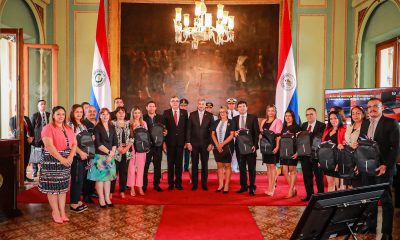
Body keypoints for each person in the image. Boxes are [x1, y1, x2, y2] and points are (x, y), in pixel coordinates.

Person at [358, 98, 399, 239]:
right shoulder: (365, 123)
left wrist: (386, 165)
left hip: (383, 169)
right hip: (367, 168)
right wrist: (359, 164)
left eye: (375, 106)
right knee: (370, 198)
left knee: (386, 201)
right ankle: (371, 226)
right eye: (369, 107)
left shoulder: (391, 123)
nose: (372, 109)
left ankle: (387, 233)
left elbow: (395, 148)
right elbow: (361, 146)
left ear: (382, 108)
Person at [39, 106, 76, 223]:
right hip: (52, 160)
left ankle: (62, 211)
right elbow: (49, 146)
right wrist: (62, 159)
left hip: (66, 159)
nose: (61, 116)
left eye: (63, 114)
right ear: (53, 116)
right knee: (53, 188)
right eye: (58, 114)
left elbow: (75, 144)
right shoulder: (47, 128)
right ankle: (55, 211)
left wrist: (69, 157)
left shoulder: (69, 128)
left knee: (63, 187)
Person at [87, 108, 117, 208]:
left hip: (110, 156)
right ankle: (101, 199)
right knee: (100, 179)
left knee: (108, 179)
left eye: (107, 114)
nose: (105, 116)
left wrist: (112, 153)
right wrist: (109, 152)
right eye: (103, 114)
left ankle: (107, 198)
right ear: (100, 116)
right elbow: (98, 144)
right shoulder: (97, 127)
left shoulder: (112, 127)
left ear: (109, 116)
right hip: (100, 156)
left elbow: (115, 142)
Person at [186, 99, 214, 190]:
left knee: (205, 164)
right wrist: (188, 142)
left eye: (203, 104)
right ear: (197, 105)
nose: (201, 105)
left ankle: (204, 184)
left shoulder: (210, 115)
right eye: (200, 104)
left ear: (205, 105)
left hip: (206, 144)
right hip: (193, 144)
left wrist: (211, 143)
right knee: (194, 164)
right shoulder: (192, 114)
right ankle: (194, 184)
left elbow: (212, 131)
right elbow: (189, 129)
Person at [233, 100, 260, 196]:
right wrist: (234, 133)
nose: (242, 108)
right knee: (242, 168)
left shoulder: (253, 118)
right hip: (239, 148)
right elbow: (233, 132)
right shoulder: (234, 119)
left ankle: (252, 187)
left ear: (247, 107)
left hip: (250, 147)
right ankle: (243, 187)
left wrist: (255, 145)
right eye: (239, 106)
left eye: (243, 106)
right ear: (237, 108)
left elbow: (257, 133)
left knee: (251, 168)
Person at [298, 107, 325, 201]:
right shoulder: (303, 125)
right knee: (307, 177)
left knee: (319, 177)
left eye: (311, 114)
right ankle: (309, 195)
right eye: (307, 114)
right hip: (305, 155)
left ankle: (321, 196)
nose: (309, 116)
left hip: (317, 156)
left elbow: (320, 139)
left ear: (315, 114)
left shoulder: (322, 125)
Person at [163, 96, 188, 190]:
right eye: (173, 101)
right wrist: (164, 143)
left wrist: (187, 141)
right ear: (170, 103)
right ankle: (170, 183)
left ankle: (178, 183)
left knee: (179, 164)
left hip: (181, 143)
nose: (175, 103)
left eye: (177, 101)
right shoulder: (166, 113)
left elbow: (186, 128)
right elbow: (164, 129)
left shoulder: (184, 113)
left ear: (179, 103)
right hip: (170, 143)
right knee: (170, 164)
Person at [68, 104, 89, 213]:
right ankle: (73, 204)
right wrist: (80, 152)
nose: (79, 114)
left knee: (81, 180)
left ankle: (76, 199)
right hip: (76, 156)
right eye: (77, 112)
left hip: (84, 156)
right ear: (72, 113)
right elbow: (71, 142)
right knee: (76, 179)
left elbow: (85, 140)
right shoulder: (70, 125)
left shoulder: (83, 124)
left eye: (81, 112)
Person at [259, 104, 283, 196]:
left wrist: (277, 147)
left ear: (275, 112)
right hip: (265, 148)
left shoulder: (278, 121)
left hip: (273, 148)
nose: (271, 112)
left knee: (272, 168)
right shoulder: (264, 121)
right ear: (267, 112)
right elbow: (261, 134)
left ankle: (272, 188)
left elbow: (278, 136)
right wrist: (260, 136)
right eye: (269, 111)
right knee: (268, 167)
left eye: (273, 110)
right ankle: (269, 186)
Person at [211, 106, 236, 193]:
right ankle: (220, 184)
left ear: (227, 113)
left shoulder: (231, 122)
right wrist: (217, 145)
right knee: (219, 166)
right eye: (221, 112)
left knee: (227, 165)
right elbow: (213, 134)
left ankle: (226, 185)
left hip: (228, 146)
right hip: (217, 147)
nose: (222, 113)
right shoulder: (216, 122)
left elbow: (232, 135)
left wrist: (222, 144)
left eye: (224, 112)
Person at [143, 101, 166, 192]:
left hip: (158, 145)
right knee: (145, 166)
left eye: (153, 106)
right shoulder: (143, 118)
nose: (151, 108)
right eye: (150, 106)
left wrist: (165, 133)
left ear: (155, 108)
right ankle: (144, 185)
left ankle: (156, 184)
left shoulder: (161, 118)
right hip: (147, 146)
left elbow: (164, 130)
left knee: (157, 165)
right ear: (146, 108)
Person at [321, 111, 346, 192]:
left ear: (339, 118)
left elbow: (345, 146)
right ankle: (330, 204)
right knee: (330, 184)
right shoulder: (327, 130)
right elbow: (323, 146)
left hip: (339, 161)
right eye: (331, 119)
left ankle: (341, 204)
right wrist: (321, 160)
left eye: (335, 118)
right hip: (328, 161)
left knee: (340, 186)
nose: (333, 120)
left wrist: (340, 162)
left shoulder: (343, 130)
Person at [111, 106, 132, 199]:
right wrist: (118, 147)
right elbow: (110, 137)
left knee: (124, 173)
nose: (121, 114)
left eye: (122, 112)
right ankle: (110, 191)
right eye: (119, 112)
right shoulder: (112, 123)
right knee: (113, 173)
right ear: (115, 114)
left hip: (126, 152)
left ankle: (122, 191)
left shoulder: (129, 123)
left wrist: (127, 148)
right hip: (115, 152)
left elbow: (132, 137)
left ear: (125, 114)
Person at [127, 106, 148, 196]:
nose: (137, 115)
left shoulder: (144, 123)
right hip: (131, 148)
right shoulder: (128, 123)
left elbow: (146, 137)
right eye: (135, 112)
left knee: (141, 169)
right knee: (131, 169)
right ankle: (131, 187)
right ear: (132, 114)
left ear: (141, 114)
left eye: (139, 112)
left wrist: (146, 148)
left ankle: (139, 186)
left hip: (141, 149)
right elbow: (126, 137)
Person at [9, 106, 34, 182]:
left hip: (28, 143)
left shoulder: (26, 118)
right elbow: (15, 132)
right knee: (20, 161)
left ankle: (24, 176)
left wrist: (31, 138)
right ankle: (18, 178)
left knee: (26, 160)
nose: (21, 110)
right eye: (19, 109)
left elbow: (32, 130)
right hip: (20, 144)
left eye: (23, 109)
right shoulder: (13, 119)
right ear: (15, 110)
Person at [280, 110, 301, 198]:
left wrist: (298, 152)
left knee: (292, 170)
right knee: (285, 171)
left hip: (293, 151)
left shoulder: (297, 127)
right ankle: (293, 189)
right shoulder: (283, 127)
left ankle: (290, 190)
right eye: (286, 116)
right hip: (284, 152)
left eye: (289, 116)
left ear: (293, 117)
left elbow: (300, 141)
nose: (287, 118)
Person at [343, 106, 366, 189]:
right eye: (353, 113)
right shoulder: (350, 126)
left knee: (357, 186)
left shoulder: (366, 126)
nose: (355, 115)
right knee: (349, 184)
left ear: (363, 114)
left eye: (358, 113)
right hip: (348, 158)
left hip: (359, 159)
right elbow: (346, 141)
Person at [30, 99, 50, 178]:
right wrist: (32, 138)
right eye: (41, 104)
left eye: (44, 104)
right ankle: (35, 171)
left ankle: (43, 170)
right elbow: (32, 127)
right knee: (35, 154)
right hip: (37, 138)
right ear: (38, 106)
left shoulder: (48, 114)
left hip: (46, 137)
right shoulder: (35, 115)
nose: (43, 105)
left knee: (45, 154)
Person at [82, 105, 97, 203]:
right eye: (90, 111)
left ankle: (91, 191)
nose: (92, 113)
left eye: (94, 111)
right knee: (87, 174)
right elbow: (81, 139)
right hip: (87, 152)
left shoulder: (97, 122)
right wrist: (90, 140)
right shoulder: (84, 124)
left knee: (94, 173)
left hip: (97, 152)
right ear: (85, 113)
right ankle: (86, 195)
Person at [226, 98, 240, 173]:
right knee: (227, 151)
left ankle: (234, 167)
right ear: (228, 105)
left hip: (235, 135)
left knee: (235, 151)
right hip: (227, 136)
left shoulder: (238, 113)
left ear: (235, 105)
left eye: (233, 104)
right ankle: (227, 167)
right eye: (230, 104)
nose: (231, 105)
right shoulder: (225, 113)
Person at [180, 98, 191, 172]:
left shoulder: (190, 115)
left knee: (187, 156)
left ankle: (186, 170)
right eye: (182, 105)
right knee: (179, 156)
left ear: (187, 106)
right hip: (179, 139)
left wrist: (188, 141)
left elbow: (190, 129)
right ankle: (179, 170)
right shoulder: (176, 114)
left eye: (185, 105)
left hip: (188, 139)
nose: (183, 107)